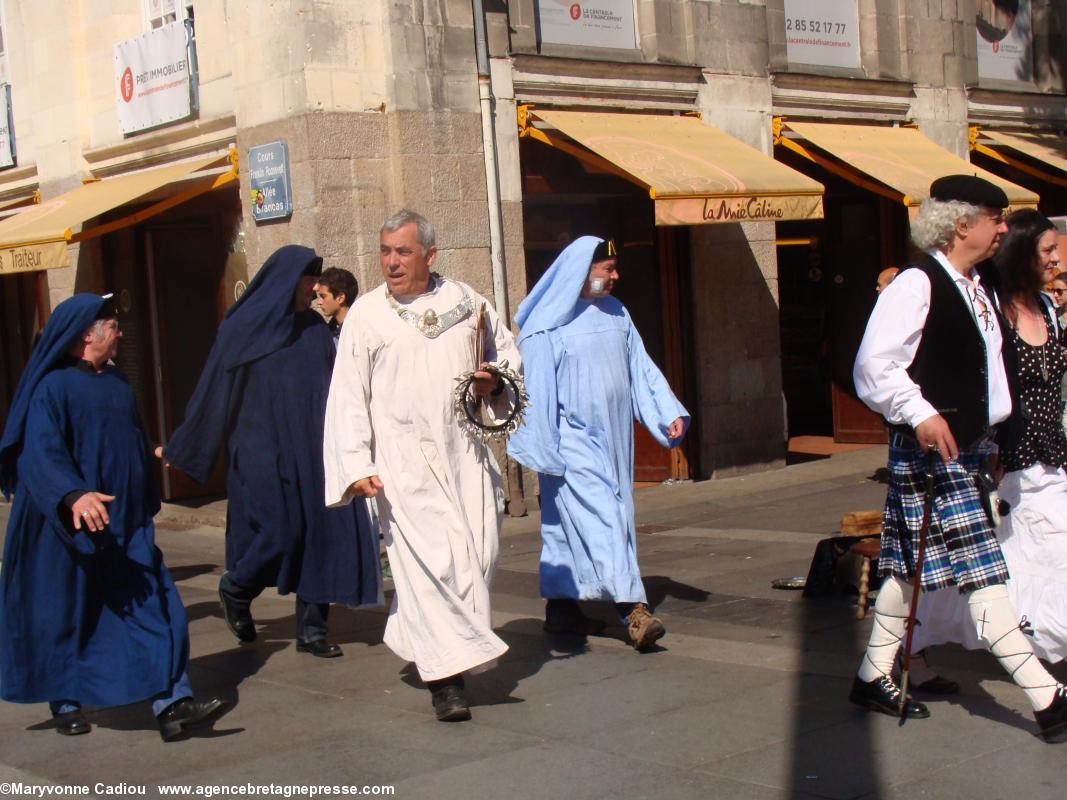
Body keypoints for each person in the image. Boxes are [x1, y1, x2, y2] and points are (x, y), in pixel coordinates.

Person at [849, 175, 1067, 743]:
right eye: (995, 217)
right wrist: (920, 412)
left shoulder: (977, 286)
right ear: (961, 223)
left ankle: (874, 674)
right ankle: (1046, 696)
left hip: (970, 450)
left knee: (911, 568)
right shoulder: (918, 285)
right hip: (931, 449)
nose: (1003, 227)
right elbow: (873, 367)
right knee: (984, 574)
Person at [0, 294, 226, 741]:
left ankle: (173, 704)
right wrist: (75, 494)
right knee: (68, 614)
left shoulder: (119, 381)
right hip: (70, 529)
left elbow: (127, 438)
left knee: (158, 607)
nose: (120, 331)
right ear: (87, 334)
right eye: (111, 325)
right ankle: (65, 701)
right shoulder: (52, 387)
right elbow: (40, 453)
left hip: (126, 525)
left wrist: (152, 456)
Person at [323, 209, 520, 722]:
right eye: (385, 251)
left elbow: (507, 358)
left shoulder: (468, 302)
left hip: (466, 455)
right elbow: (347, 395)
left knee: (476, 558)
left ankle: (424, 638)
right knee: (429, 568)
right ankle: (445, 682)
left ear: (430, 255)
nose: (391, 262)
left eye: (403, 252)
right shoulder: (367, 315)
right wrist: (354, 461)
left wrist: (492, 382)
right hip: (402, 464)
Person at [164, 246, 380, 658]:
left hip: (314, 448)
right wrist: (189, 443)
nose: (315, 290)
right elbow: (214, 390)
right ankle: (238, 586)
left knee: (321, 532)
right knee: (279, 530)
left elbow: (339, 390)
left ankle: (313, 630)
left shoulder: (315, 331)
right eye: (307, 281)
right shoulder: (241, 329)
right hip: (262, 450)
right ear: (287, 280)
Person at [506, 237, 689, 650]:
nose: (616, 275)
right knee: (606, 516)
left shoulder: (616, 312)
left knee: (566, 528)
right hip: (569, 441)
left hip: (613, 437)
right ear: (582, 272)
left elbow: (639, 367)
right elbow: (533, 392)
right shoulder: (545, 326)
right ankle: (633, 610)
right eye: (609, 268)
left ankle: (562, 611)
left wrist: (666, 412)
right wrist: (542, 447)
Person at [913, 209, 1067, 666]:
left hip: (1052, 458)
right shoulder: (991, 311)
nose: (1057, 259)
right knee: (1005, 563)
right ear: (1022, 254)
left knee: (1028, 562)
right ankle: (912, 643)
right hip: (1003, 461)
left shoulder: (1047, 311)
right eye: (1048, 250)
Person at [314, 267, 359, 342]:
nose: (319, 302)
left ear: (340, 298)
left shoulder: (361, 330)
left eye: (323, 296)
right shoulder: (327, 334)